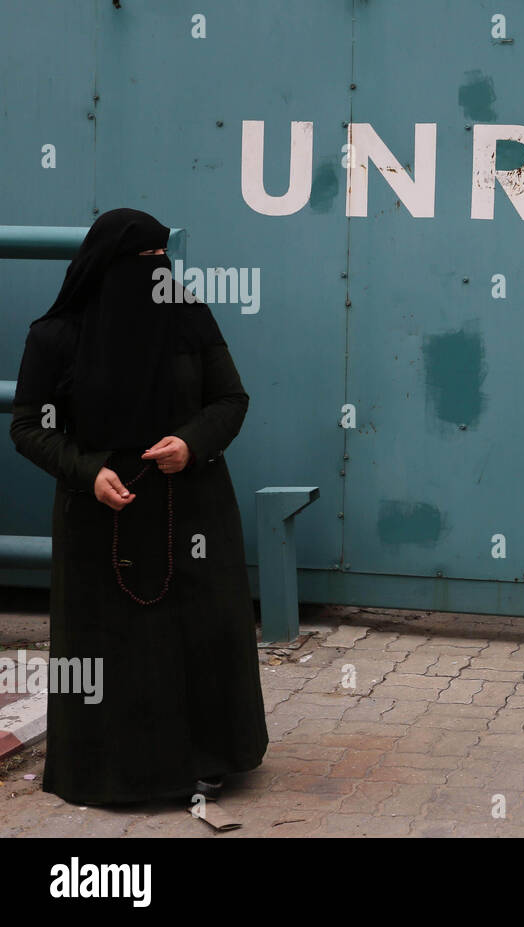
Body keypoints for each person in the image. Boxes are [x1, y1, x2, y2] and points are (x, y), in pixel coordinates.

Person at [9, 207, 267, 804]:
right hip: (101, 516)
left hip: (192, 509)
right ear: (107, 267)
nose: (159, 273)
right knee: (114, 647)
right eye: (145, 263)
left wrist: (193, 442)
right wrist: (87, 470)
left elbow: (230, 399)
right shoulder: (55, 336)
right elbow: (29, 426)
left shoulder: (187, 317)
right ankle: (110, 770)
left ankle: (206, 760)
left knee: (197, 637)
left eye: (162, 261)